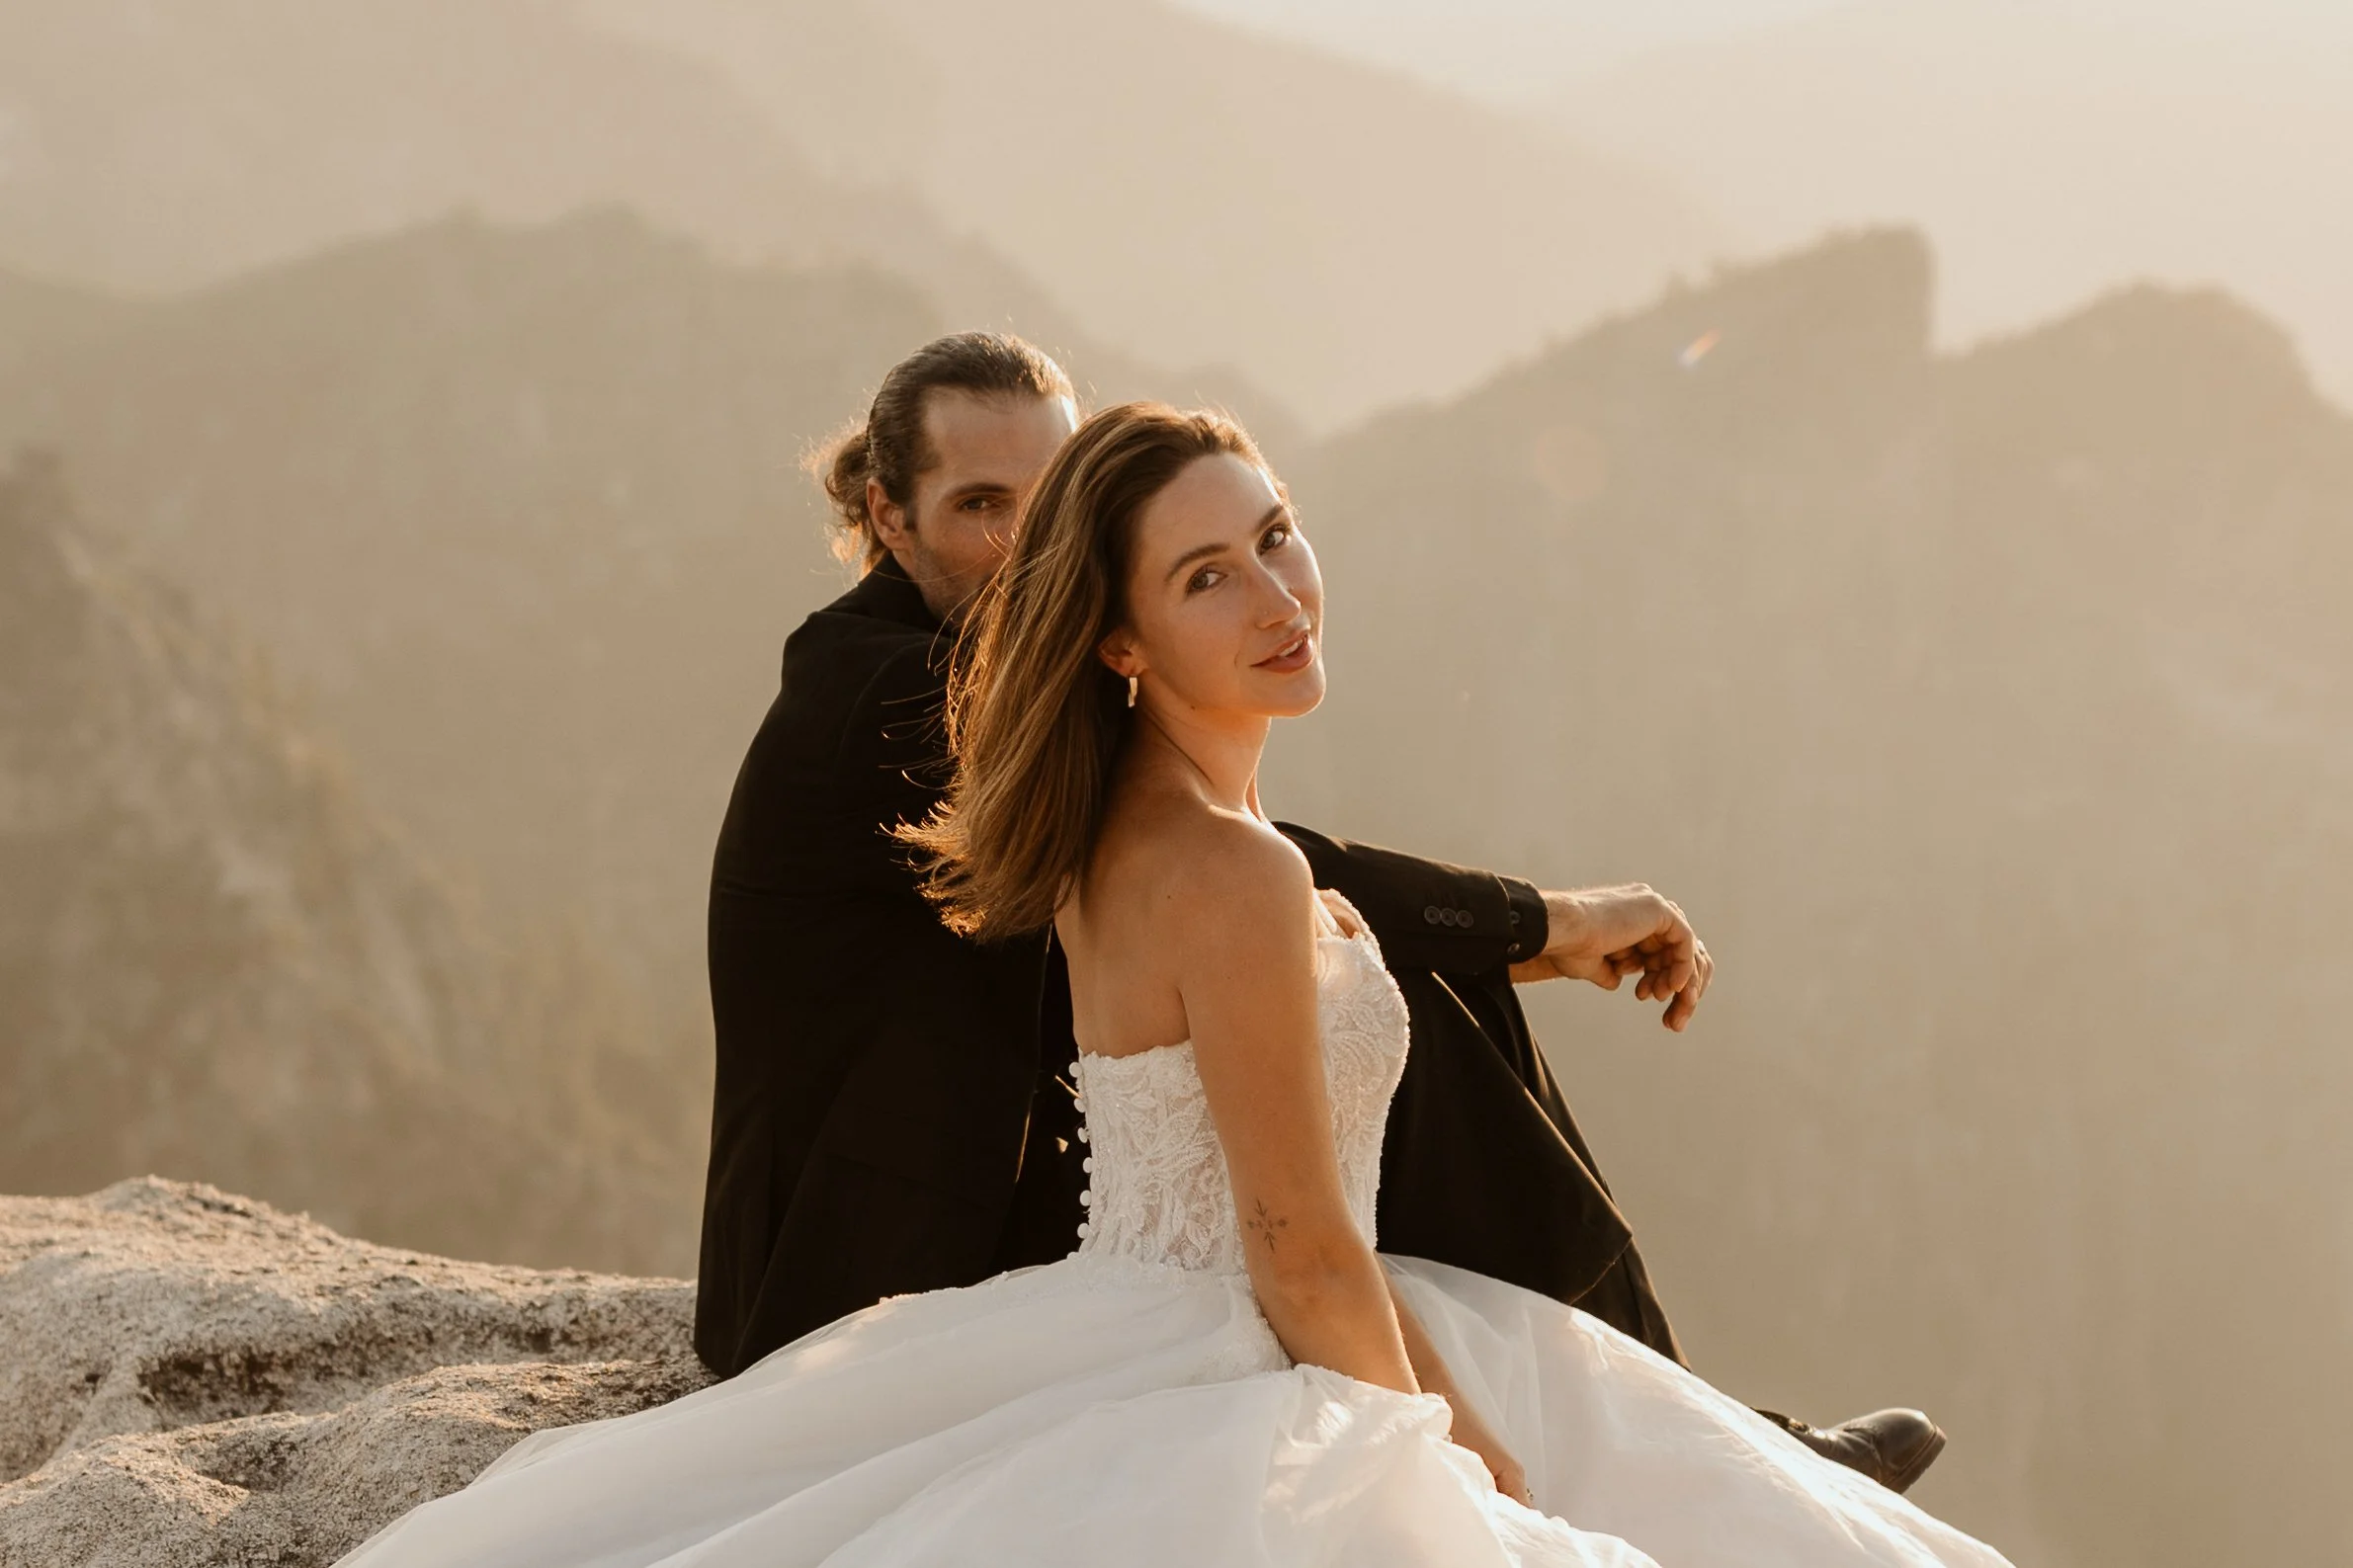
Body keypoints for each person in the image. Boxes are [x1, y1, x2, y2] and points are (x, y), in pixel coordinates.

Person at [335, 403, 2008, 1567]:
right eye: (1210, 574)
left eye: (1276, 537)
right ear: (1120, 639)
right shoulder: (1220, 863)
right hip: (1216, 1330)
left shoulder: (1145, 817)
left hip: (1133, 1299)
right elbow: (1291, 1247)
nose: (1281, 595)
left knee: (1490, 1101)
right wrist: (1468, 1471)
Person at [694, 333, 1941, 1489]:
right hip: (863, 1264)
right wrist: (1543, 922)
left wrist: (1518, 931)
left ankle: (1707, 1431)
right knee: (1405, 976)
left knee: (1386, 972)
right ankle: (1730, 1454)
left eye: (1052, 495)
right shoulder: (904, 693)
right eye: (979, 507)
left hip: (999, 1157)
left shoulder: (1023, 666)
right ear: (885, 518)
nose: (1028, 546)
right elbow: (1240, 879)